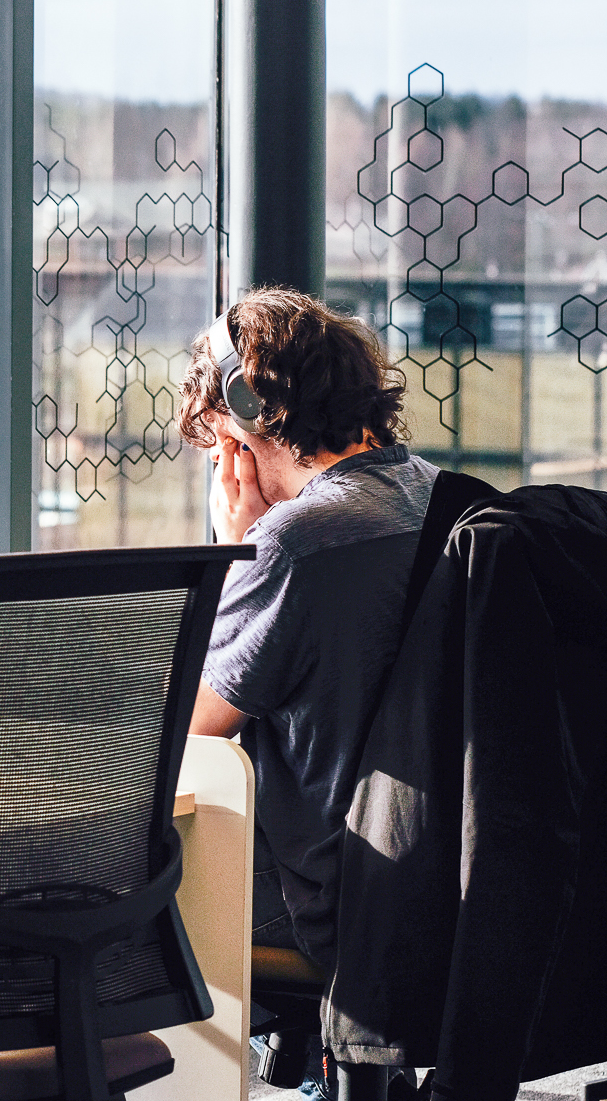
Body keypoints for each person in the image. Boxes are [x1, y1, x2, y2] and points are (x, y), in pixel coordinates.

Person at [176, 286, 425, 969]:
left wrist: (240, 550)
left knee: (56, 877)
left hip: (321, 889)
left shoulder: (301, 541)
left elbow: (186, 734)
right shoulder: (446, 500)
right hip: (438, 880)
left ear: (243, 420)